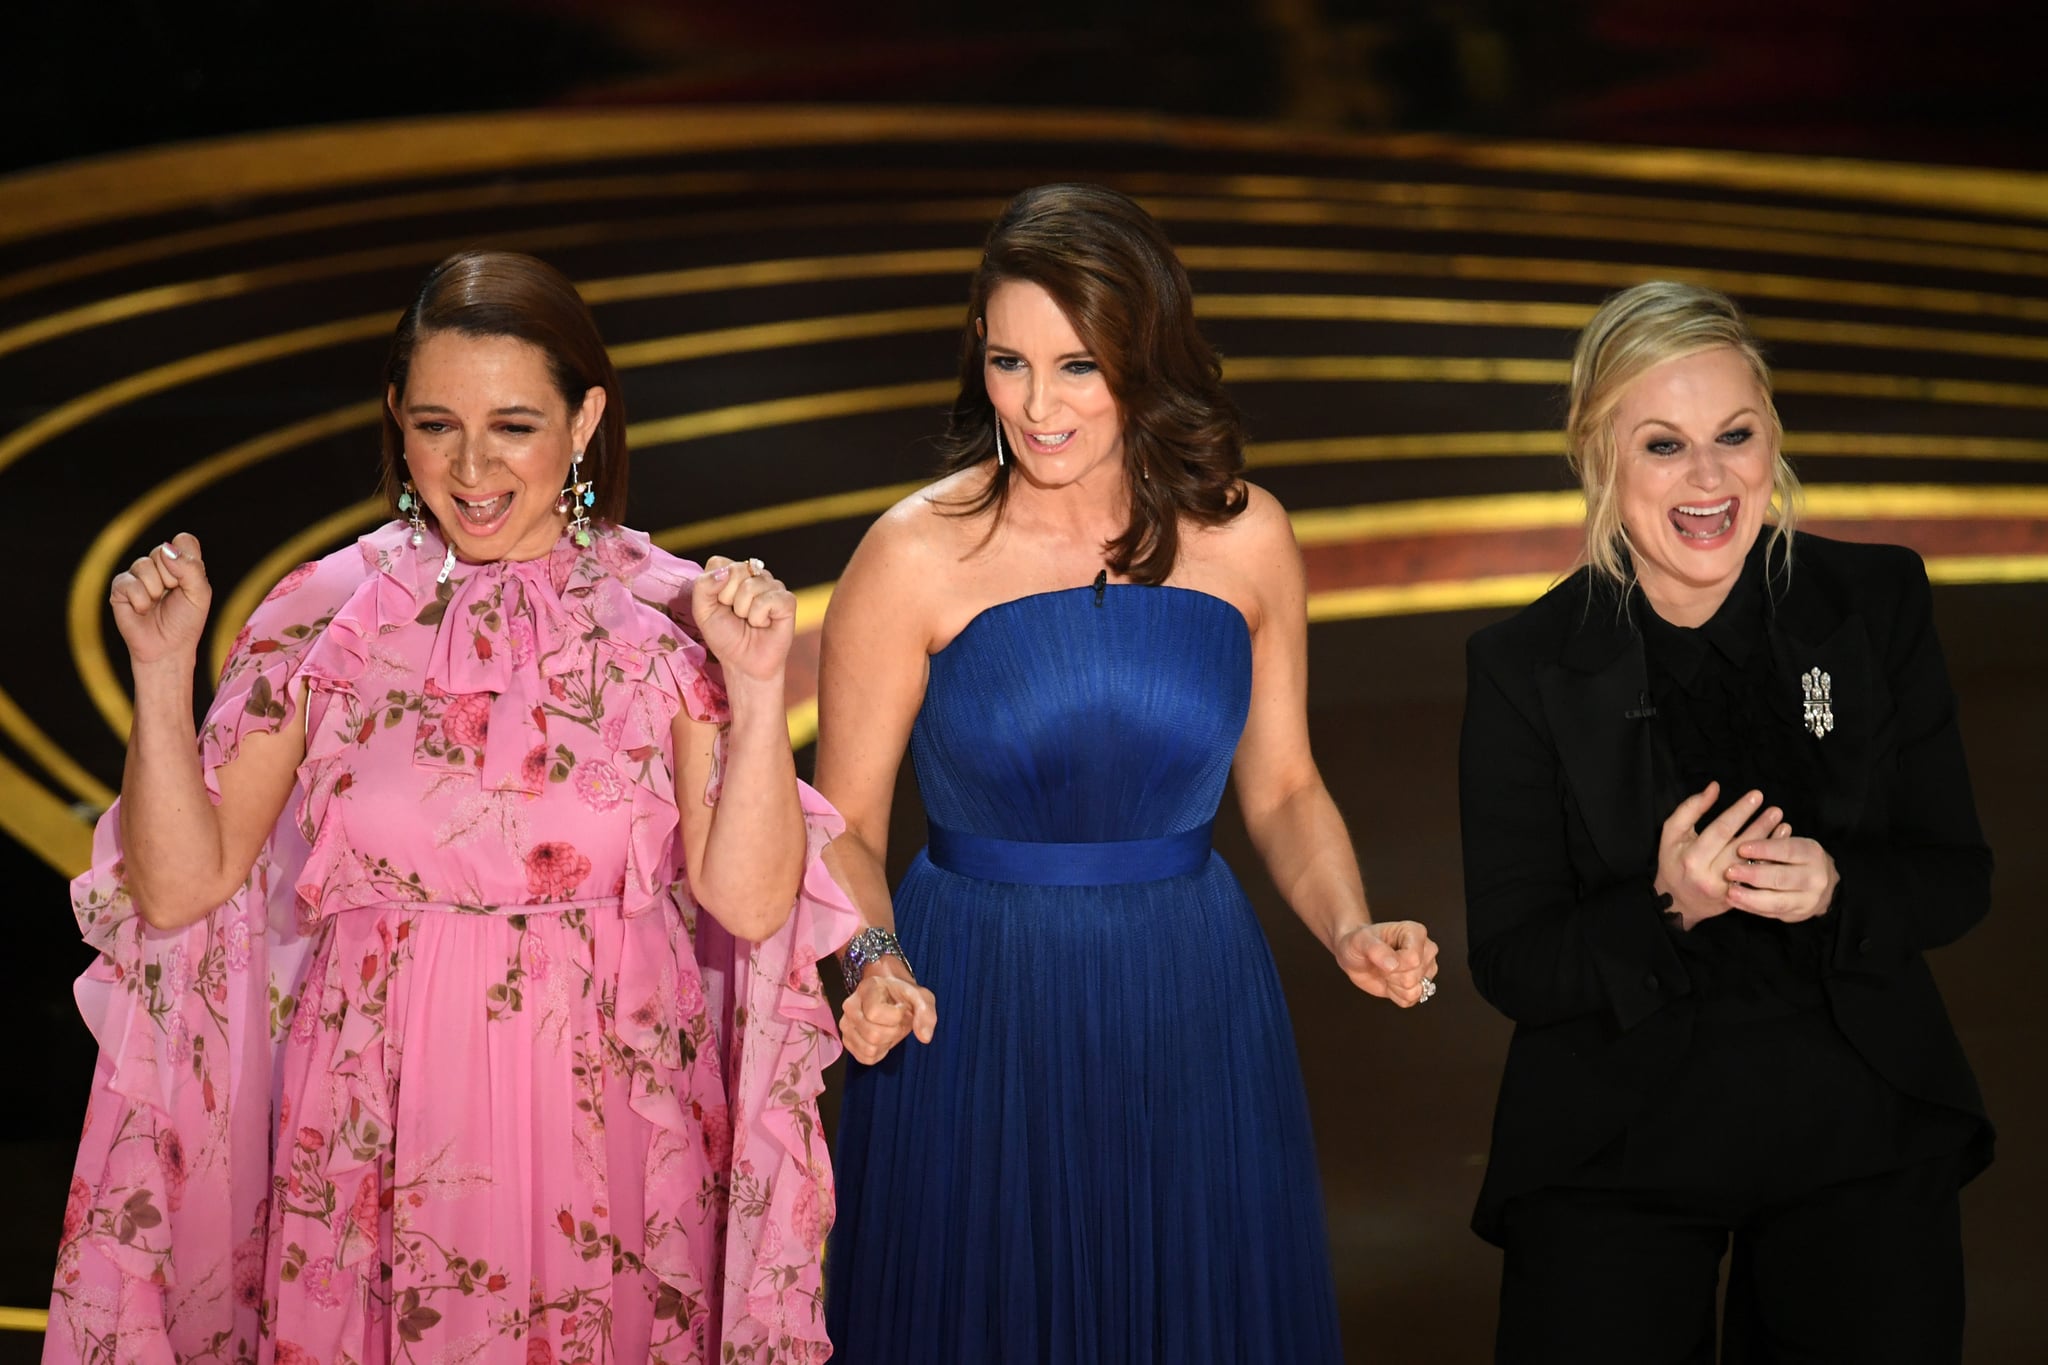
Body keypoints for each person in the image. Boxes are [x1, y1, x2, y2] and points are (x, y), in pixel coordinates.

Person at [46, 250, 856, 1364]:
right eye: (436, 425)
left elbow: (751, 899)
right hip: (376, 1129)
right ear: (397, 419)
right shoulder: (323, 616)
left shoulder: (667, 618)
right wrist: (159, 668)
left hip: (614, 1134)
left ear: (585, 422)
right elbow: (185, 883)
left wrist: (760, 688)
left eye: (514, 426)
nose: (471, 467)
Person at [816, 183, 1439, 1363]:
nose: (1036, 406)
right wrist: (870, 960)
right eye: (1008, 363)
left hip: (1190, 999)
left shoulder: (1247, 535)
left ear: (1144, 360)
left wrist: (1347, 923)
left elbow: (1286, 788)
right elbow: (843, 820)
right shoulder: (909, 554)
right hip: (971, 1009)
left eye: (1078, 367)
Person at [1459, 280, 1994, 1364]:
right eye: (1662, 445)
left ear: (1770, 443)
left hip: (1856, 1115)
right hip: (1614, 1141)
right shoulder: (1522, 666)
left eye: (1733, 436)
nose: (1707, 479)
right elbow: (1513, 964)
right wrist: (1664, 904)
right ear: (1596, 457)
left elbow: (1953, 874)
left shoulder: (1873, 600)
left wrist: (1834, 882)